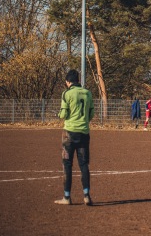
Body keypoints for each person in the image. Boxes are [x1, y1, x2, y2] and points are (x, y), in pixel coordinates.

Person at [55, 69, 94, 206]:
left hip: (69, 133)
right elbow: (91, 113)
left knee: (67, 165)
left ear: (68, 82)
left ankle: (67, 197)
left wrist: (59, 114)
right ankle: (86, 195)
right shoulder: (88, 93)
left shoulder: (67, 94)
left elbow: (63, 114)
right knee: (84, 165)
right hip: (84, 133)